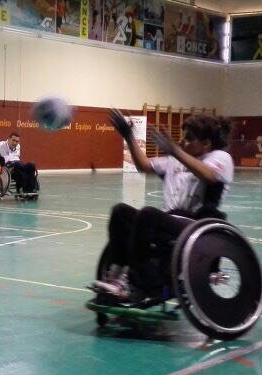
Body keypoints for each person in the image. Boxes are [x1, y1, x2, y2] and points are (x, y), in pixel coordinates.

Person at [94, 110, 234, 303]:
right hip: (170, 220)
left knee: (148, 214)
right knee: (121, 212)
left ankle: (143, 283)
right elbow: (143, 165)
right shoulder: (174, 161)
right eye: (183, 138)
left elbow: (209, 175)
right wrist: (129, 136)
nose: (184, 141)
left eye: (189, 138)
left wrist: (175, 151)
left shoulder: (220, 157)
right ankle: (118, 275)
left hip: (195, 224)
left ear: (206, 143)